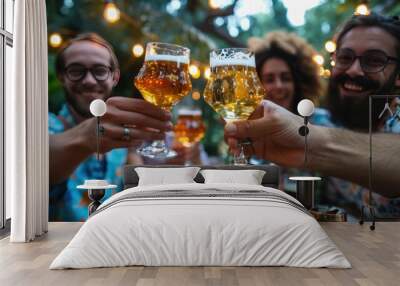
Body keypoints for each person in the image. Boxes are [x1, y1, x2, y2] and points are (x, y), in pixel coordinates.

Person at [225, 13, 400, 207]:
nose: (353, 70)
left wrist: (312, 143)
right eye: (345, 57)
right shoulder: (346, 121)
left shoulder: (319, 121)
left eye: (374, 60)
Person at [49, 33, 173, 221]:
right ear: (62, 77)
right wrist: (86, 136)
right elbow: (31, 166)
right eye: (76, 71)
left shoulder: (123, 136)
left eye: (99, 70)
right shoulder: (42, 125)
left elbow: (137, 198)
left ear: (114, 77)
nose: (89, 80)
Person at [247, 31, 331, 191]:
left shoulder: (321, 123)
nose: (278, 86)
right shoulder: (249, 131)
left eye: (286, 78)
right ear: (255, 87)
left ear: (297, 83)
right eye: (269, 79)